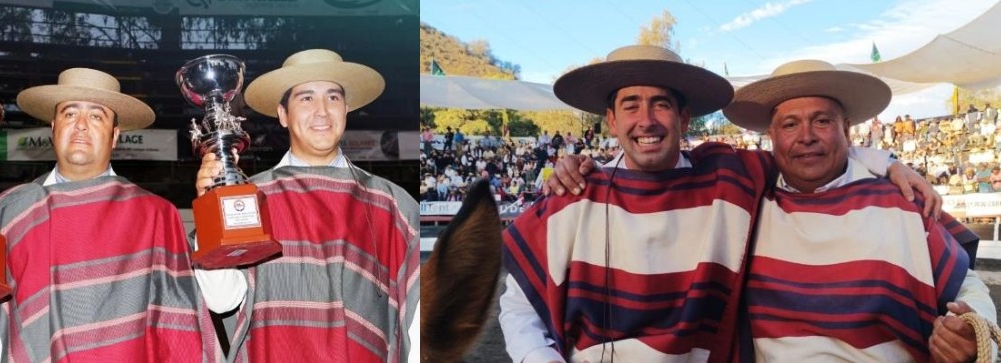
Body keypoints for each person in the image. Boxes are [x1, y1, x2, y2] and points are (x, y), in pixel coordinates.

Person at [497, 45, 939, 362]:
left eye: (662, 105)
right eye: (631, 105)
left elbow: (806, 152)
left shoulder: (728, 175)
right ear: (611, 120)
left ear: (685, 118)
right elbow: (517, 307)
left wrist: (888, 162)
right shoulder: (573, 194)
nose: (646, 120)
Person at [719, 59, 995, 362]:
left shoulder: (901, 201)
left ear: (847, 130)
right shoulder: (749, 206)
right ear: (772, 137)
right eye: (790, 124)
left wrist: (972, 326)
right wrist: (884, 160)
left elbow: (967, 286)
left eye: (822, 121)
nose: (806, 136)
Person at [0, 68, 221, 362]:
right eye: (70, 114)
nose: (81, 125)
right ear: (53, 127)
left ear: (115, 135)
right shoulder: (7, 212)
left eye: (96, 116)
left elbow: (179, 328)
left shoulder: (156, 216)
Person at [192, 49, 419, 362]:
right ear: (283, 114)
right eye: (306, 98)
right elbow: (222, 300)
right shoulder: (249, 197)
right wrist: (212, 207)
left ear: (347, 108)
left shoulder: (392, 204)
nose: (322, 111)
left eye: (333, 98)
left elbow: (418, 320)